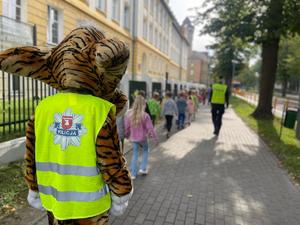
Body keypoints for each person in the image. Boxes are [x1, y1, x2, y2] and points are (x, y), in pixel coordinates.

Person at [0, 27, 133, 225]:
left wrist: (33, 188)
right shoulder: (100, 110)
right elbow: (111, 161)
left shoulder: (42, 109)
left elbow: (31, 156)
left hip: (53, 202)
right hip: (91, 209)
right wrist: (121, 192)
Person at [125, 95, 158, 179]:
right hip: (143, 138)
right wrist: (155, 139)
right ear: (144, 104)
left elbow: (127, 128)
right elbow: (150, 128)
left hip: (134, 138)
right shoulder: (145, 115)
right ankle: (143, 168)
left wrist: (127, 136)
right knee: (145, 151)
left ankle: (133, 174)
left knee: (135, 154)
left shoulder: (129, 114)